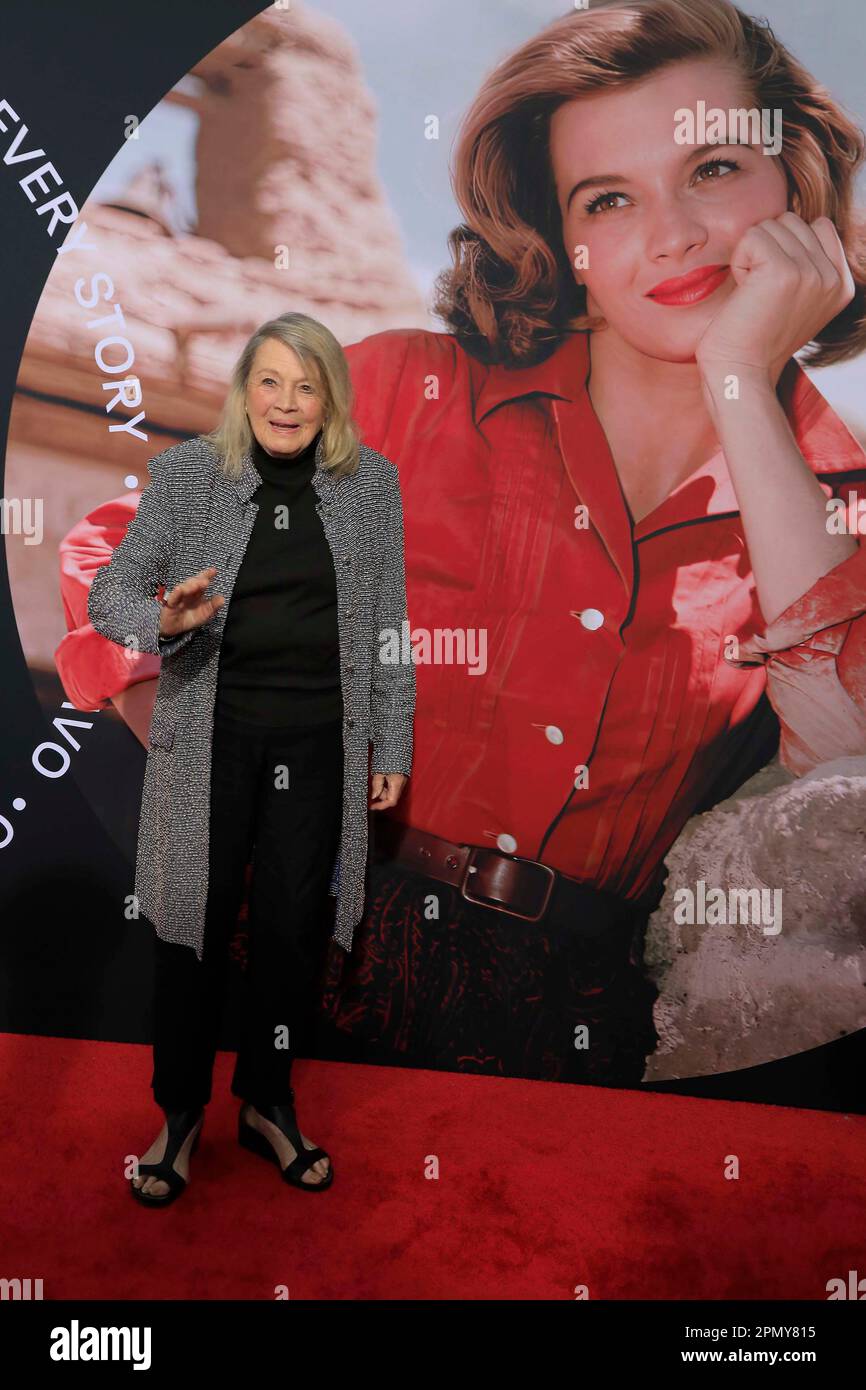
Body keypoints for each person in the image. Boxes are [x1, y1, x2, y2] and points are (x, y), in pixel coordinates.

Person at [59, 0, 866, 1093]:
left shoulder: (833, 493)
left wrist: (737, 382)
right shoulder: (401, 391)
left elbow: (847, 744)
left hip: (565, 1030)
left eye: (713, 169)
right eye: (608, 198)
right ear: (563, 239)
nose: (670, 233)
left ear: (797, 179)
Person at [84, 313, 414, 1204]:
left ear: (330, 401)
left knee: (290, 933)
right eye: (270, 382)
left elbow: (388, 628)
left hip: (320, 746)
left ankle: (267, 1103)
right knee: (189, 929)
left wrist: (396, 737)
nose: (287, 402)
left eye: (307, 387)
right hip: (209, 741)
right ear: (244, 390)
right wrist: (165, 619)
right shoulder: (189, 476)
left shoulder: (371, 487)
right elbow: (108, 591)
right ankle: (179, 1114)